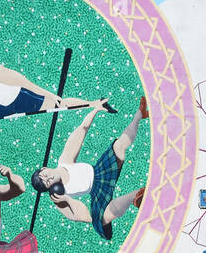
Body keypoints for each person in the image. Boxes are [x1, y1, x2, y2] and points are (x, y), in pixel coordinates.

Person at [30, 97, 148, 242]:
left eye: (44, 175)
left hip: (101, 171)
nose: (48, 178)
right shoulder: (58, 197)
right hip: (97, 192)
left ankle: (139, 115)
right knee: (101, 219)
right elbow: (81, 216)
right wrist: (67, 199)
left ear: (44, 168)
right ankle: (136, 196)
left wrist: (96, 109)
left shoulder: (65, 160)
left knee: (119, 146)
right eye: (46, 182)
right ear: (49, 188)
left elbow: (82, 129)